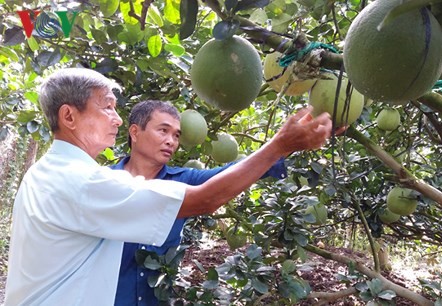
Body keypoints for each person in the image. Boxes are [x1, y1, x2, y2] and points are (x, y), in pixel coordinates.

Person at [5, 67, 333, 306]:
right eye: (107, 106)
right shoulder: (84, 181)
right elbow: (206, 199)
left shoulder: (50, 173)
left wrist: (282, 152)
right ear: (69, 116)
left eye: (176, 134)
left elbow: (222, 176)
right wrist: (279, 145)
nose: (116, 119)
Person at [112, 100, 287, 305]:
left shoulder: (183, 181)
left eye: (176, 135)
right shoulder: (103, 183)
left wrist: (286, 146)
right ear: (135, 132)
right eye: (163, 131)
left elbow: (231, 173)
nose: (171, 141)